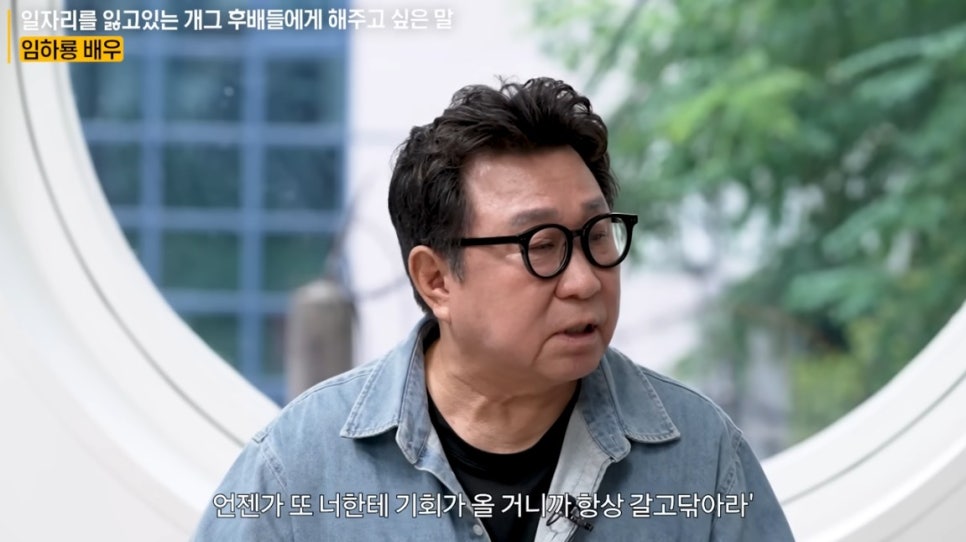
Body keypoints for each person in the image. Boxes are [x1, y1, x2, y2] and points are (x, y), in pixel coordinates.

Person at [192, 77, 795, 541]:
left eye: (597, 235)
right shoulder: (299, 467)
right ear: (436, 280)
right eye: (542, 246)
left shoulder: (702, 458)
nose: (585, 280)